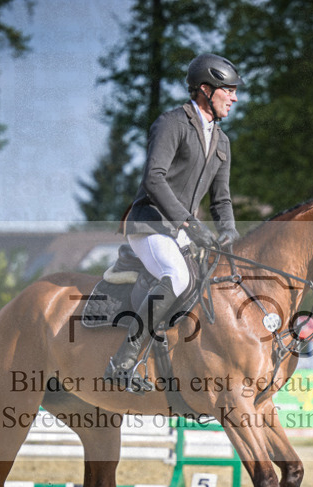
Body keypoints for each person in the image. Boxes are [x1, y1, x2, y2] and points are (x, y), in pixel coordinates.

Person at [104, 53, 243, 390]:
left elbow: (221, 199)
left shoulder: (222, 141)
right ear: (206, 90)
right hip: (150, 225)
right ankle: (122, 362)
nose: (235, 98)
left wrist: (228, 229)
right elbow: (154, 178)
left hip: (181, 232)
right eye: (229, 91)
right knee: (177, 276)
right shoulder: (171, 124)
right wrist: (187, 222)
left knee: (213, 281)